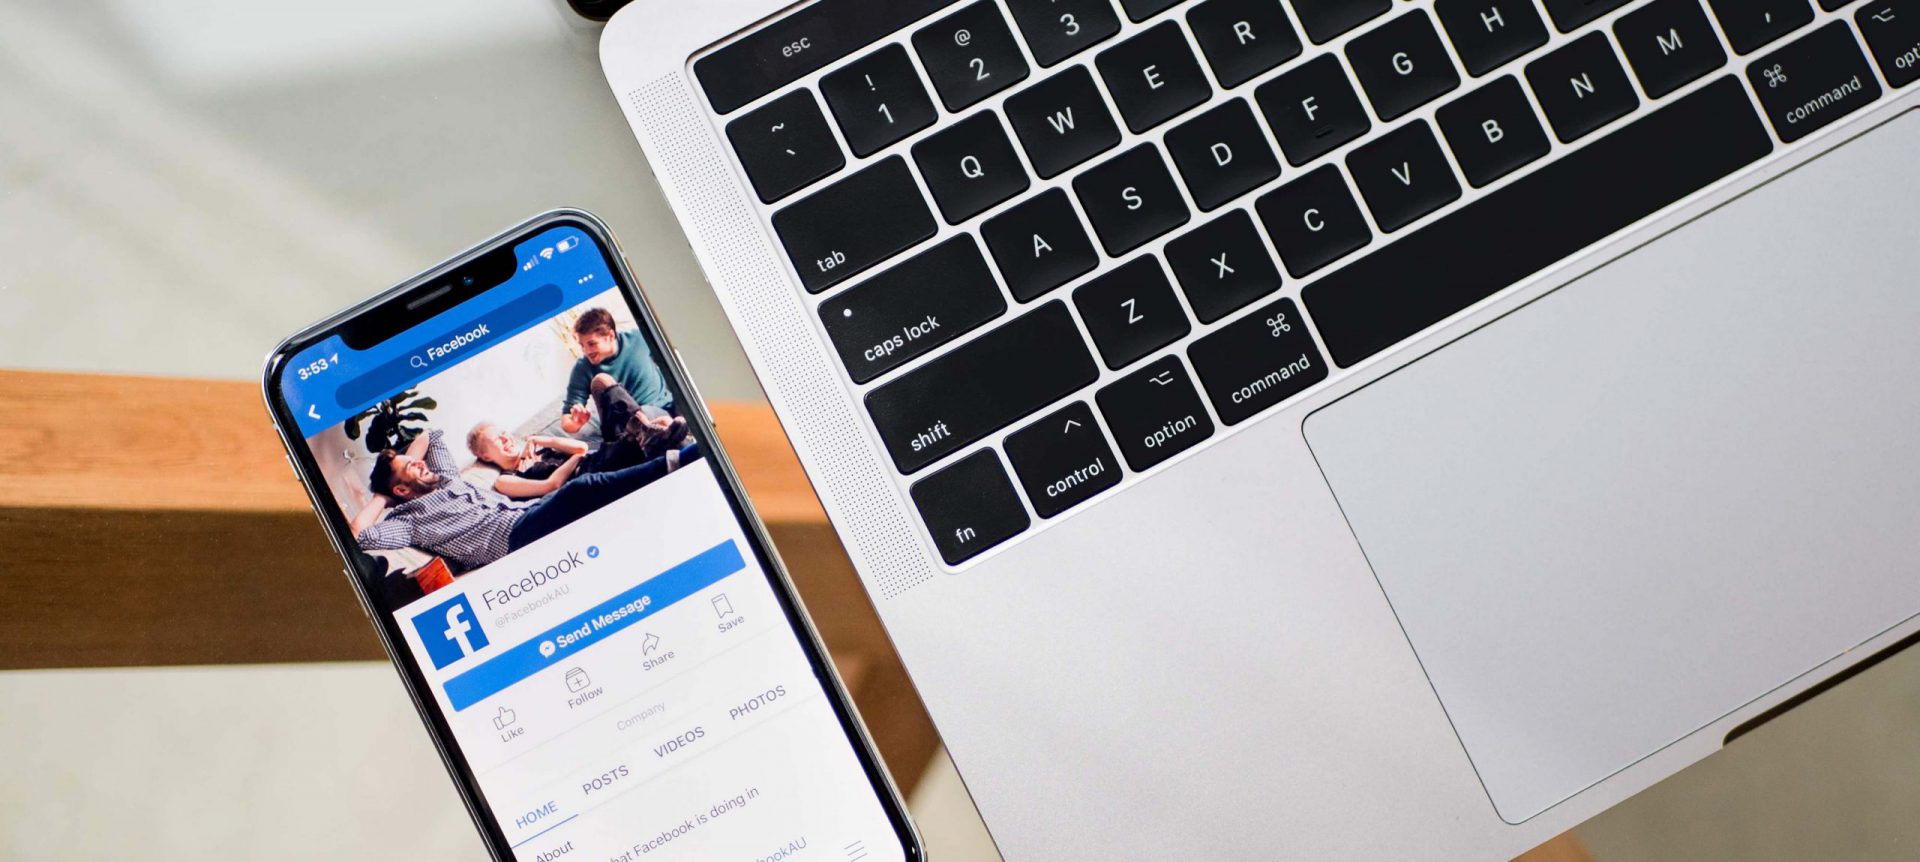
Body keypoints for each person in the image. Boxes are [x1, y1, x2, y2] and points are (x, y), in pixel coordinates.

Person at [348, 428, 700, 570]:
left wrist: (404, 464)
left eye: (416, 461)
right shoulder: (407, 522)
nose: (421, 463)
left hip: (527, 514)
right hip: (510, 539)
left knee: (592, 495)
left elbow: (432, 435)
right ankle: (683, 460)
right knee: (581, 489)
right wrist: (382, 496)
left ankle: (680, 469)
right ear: (401, 492)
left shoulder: (446, 478)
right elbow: (360, 536)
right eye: (411, 469)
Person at [560, 308, 674, 435]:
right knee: (602, 380)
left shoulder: (639, 339)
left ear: (610, 336)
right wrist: (575, 423)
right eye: (582, 345)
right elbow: (566, 420)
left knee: (654, 414)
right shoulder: (582, 368)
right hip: (621, 426)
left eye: (592, 344)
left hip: (661, 409)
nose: (586, 351)